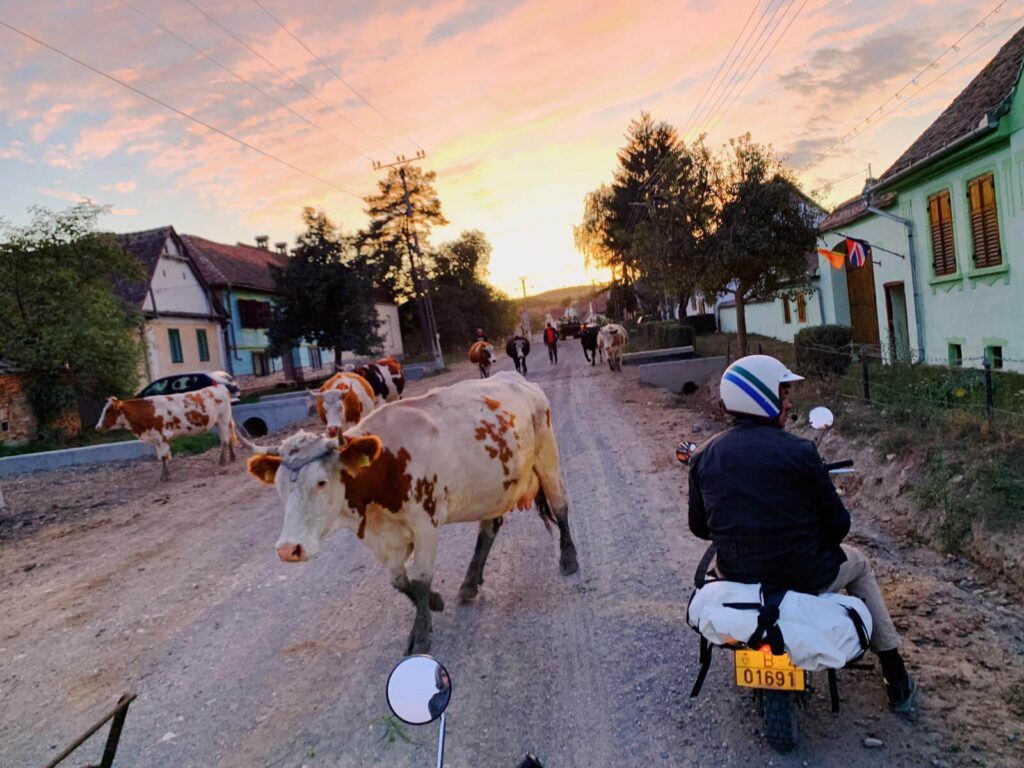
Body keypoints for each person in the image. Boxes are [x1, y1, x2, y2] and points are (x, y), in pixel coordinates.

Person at [687, 355, 916, 712]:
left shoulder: (703, 456)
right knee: (861, 565)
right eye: (782, 392)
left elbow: (699, 528)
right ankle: (895, 674)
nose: (789, 402)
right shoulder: (801, 452)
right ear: (760, 395)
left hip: (737, 578)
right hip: (806, 577)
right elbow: (839, 525)